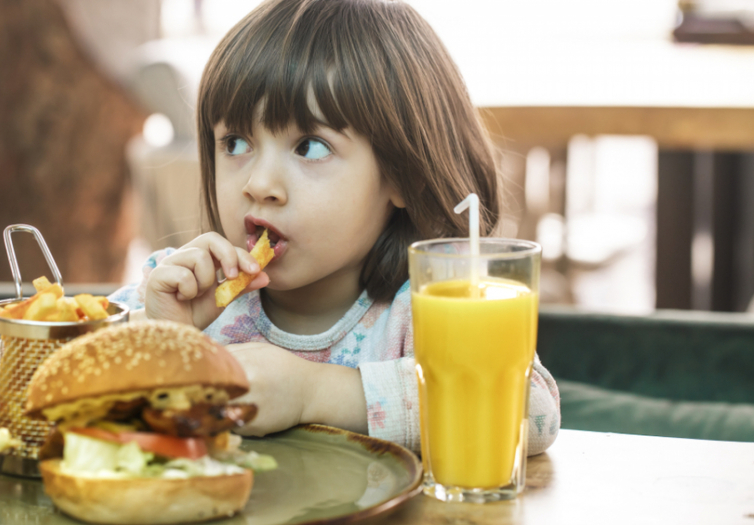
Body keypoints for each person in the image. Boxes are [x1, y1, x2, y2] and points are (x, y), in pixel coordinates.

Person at [112, 0, 560, 455]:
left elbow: (532, 410)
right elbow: (43, 379)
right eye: (236, 142)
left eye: (309, 147)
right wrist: (154, 334)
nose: (259, 183)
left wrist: (317, 393)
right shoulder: (177, 293)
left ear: (403, 175)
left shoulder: (423, 311)